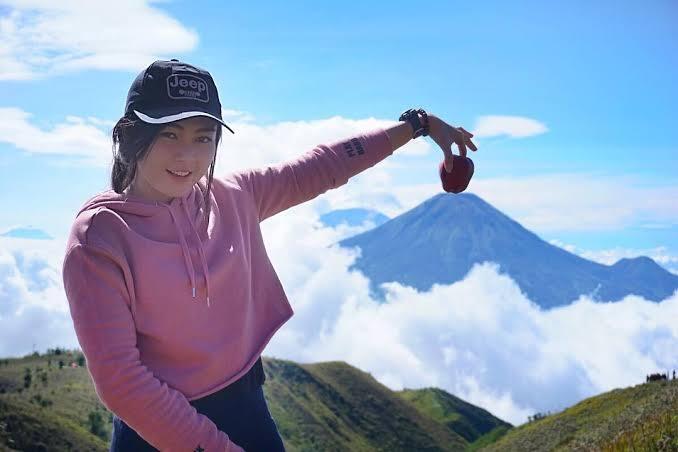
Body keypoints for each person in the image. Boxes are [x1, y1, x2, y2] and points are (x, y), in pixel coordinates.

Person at [61, 58, 477, 452]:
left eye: (203, 137)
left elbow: (322, 166)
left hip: (247, 407)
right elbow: (121, 383)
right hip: (154, 431)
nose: (187, 155)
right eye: (169, 134)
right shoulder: (100, 237)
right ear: (133, 135)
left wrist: (418, 125)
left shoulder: (233, 197)